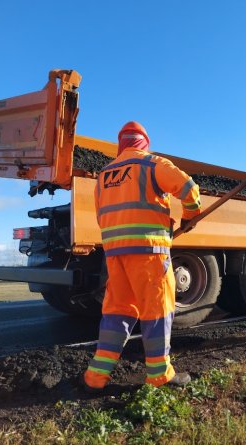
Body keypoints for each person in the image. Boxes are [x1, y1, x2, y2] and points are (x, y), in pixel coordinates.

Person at [83, 121, 201, 393]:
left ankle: (96, 377)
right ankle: (160, 375)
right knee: (157, 309)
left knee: (117, 311)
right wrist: (190, 216)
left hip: (115, 254)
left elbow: (102, 215)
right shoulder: (152, 164)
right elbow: (189, 189)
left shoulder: (103, 175)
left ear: (121, 144)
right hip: (149, 253)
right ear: (144, 143)